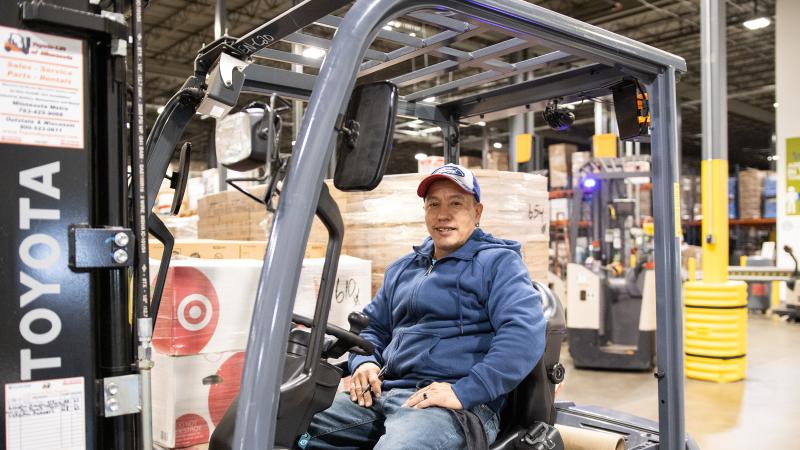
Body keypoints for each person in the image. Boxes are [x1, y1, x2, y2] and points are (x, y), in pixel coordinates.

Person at [297, 164, 546, 450]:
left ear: (477, 212)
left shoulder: (499, 264)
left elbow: (524, 334)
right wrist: (364, 362)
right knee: (289, 421)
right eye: (434, 204)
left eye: (456, 204)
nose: (444, 214)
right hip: (384, 393)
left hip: (455, 407)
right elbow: (373, 327)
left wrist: (465, 392)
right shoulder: (403, 268)